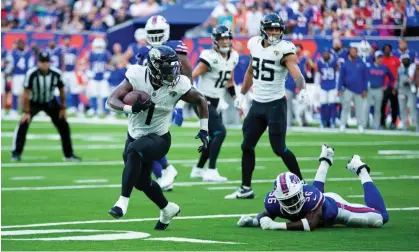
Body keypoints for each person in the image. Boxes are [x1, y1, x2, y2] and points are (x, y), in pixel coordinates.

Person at [107, 46, 209, 230]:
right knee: (142, 182)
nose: (173, 74)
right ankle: (167, 208)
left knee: (134, 150)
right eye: (167, 70)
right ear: (154, 68)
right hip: (135, 134)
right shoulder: (137, 75)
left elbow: (201, 100)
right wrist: (130, 108)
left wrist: (204, 130)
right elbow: (112, 100)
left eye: (174, 69)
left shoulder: (179, 84)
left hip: (159, 138)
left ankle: (122, 202)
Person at [225, 13, 308, 199]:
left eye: (277, 29)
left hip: (275, 105)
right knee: (247, 145)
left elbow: (297, 73)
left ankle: (303, 184)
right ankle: (245, 188)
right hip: (258, 104)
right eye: (271, 29)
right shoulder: (254, 44)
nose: (274, 32)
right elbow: (250, 72)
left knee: (279, 148)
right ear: (263, 30)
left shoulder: (285, 49)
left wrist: (302, 89)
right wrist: (242, 94)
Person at [237, 145, 389, 231]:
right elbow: (267, 213)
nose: (291, 203)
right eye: (286, 200)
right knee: (313, 198)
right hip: (316, 202)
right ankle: (325, 160)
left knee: (380, 218)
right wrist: (254, 221)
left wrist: (278, 225)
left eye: (293, 197)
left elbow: (310, 224)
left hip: (336, 208)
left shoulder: (309, 194)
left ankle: (360, 169)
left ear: (301, 191)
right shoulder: (273, 201)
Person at [135, 15, 194, 191]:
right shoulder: (143, 51)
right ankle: (164, 173)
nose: (155, 36)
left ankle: (165, 171)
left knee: (141, 140)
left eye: (158, 32)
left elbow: (187, 75)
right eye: (152, 32)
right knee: (142, 141)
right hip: (148, 100)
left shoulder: (175, 47)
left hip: (166, 99)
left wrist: (181, 105)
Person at [11, 51, 81, 162]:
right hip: (34, 101)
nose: (44, 64)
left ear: (49, 62)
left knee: (63, 124)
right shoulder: (31, 73)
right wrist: (26, 110)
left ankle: (68, 154)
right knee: (23, 123)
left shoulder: (56, 73)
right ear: (38, 62)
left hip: (50, 101)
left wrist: (63, 108)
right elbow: (26, 92)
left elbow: (62, 91)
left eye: (46, 62)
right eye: (42, 62)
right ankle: (16, 153)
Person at [190, 25, 239, 182]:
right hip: (202, 100)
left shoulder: (233, 56)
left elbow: (229, 81)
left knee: (213, 136)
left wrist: (236, 99)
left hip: (216, 101)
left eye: (227, 38)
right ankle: (211, 170)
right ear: (215, 41)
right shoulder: (209, 56)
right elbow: (193, 75)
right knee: (220, 132)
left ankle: (198, 169)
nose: (225, 41)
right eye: (221, 39)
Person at [338, 46, 368, 133]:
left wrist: (365, 89)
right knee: (345, 107)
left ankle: (360, 125)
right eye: (351, 51)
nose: (353, 53)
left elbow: (365, 78)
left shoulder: (362, 64)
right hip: (348, 89)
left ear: (357, 52)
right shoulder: (345, 64)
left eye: (354, 51)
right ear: (349, 53)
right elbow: (341, 77)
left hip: (359, 90)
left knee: (359, 109)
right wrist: (339, 88)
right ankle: (343, 124)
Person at [5, 39, 33, 116]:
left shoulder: (28, 53)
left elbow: (31, 66)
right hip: (16, 75)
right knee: (15, 93)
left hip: (25, 75)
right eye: (19, 44)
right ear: (17, 44)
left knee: (27, 93)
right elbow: (9, 65)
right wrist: (8, 74)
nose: (21, 45)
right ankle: (14, 109)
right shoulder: (12, 53)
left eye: (22, 43)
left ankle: (28, 109)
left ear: (24, 44)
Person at [366, 51, 394, 129]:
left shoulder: (384, 67)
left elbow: (392, 78)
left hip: (379, 90)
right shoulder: (370, 66)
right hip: (370, 89)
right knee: (366, 108)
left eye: (381, 58)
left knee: (378, 109)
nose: (380, 59)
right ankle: (365, 124)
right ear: (375, 58)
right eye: (378, 58)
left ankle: (376, 125)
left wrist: (386, 86)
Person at [86, 37, 112, 117]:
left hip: (103, 77)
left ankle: (106, 111)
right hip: (93, 77)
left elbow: (109, 63)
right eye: (97, 46)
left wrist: (108, 71)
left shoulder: (106, 53)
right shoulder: (90, 53)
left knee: (105, 94)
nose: (99, 48)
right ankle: (94, 109)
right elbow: (86, 62)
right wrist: (88, 71)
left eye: (100, 46)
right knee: (93, 93)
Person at [315, 49, 339, 128]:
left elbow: (338, 73)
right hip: (323, 86)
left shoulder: (334, 61)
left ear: (329, 54)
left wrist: (337, 85)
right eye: (324, 53)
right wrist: (317, 86)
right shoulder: (319, 62)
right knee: (323, 105)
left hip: (332, 86)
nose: (325, 55)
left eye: (327, 53)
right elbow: (317, 75)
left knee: (332, 104)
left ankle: (332, 121)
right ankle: (323, 121)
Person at [381, 44, 401, 129]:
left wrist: (397, 85)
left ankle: (393, 122)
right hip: (383, 86)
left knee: (394, 105)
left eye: (388, 49)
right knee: (382, 106)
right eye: (385, 49)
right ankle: (382, 122)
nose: (387, 51)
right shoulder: (381, 60)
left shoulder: (396, 60)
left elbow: (400, 72)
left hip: (393, 86)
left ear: (391, 50)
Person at [61, 35, 81, 115]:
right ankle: (62, 107)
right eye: (65, 40)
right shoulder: (61, 49)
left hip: (72, 71)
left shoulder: (73, 49)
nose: (67, 41)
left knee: (74, 90)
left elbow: (76, 59)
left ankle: (75, 107)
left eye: (68, 40)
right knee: (62, 90)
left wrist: (77, 69)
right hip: (64, 72)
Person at [397, 54, 417, 131]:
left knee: (412, 108)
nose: (405, 61)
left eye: (406, 59)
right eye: (404, 59)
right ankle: (405, 126)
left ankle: (416, 125)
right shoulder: (399, 69)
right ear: (401, 60)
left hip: (411, 89)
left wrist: (411, 82)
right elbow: (397, 79)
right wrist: (396, 88)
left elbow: (415, 78)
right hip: (402, 89)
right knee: (402, 108)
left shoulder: (413, 68)